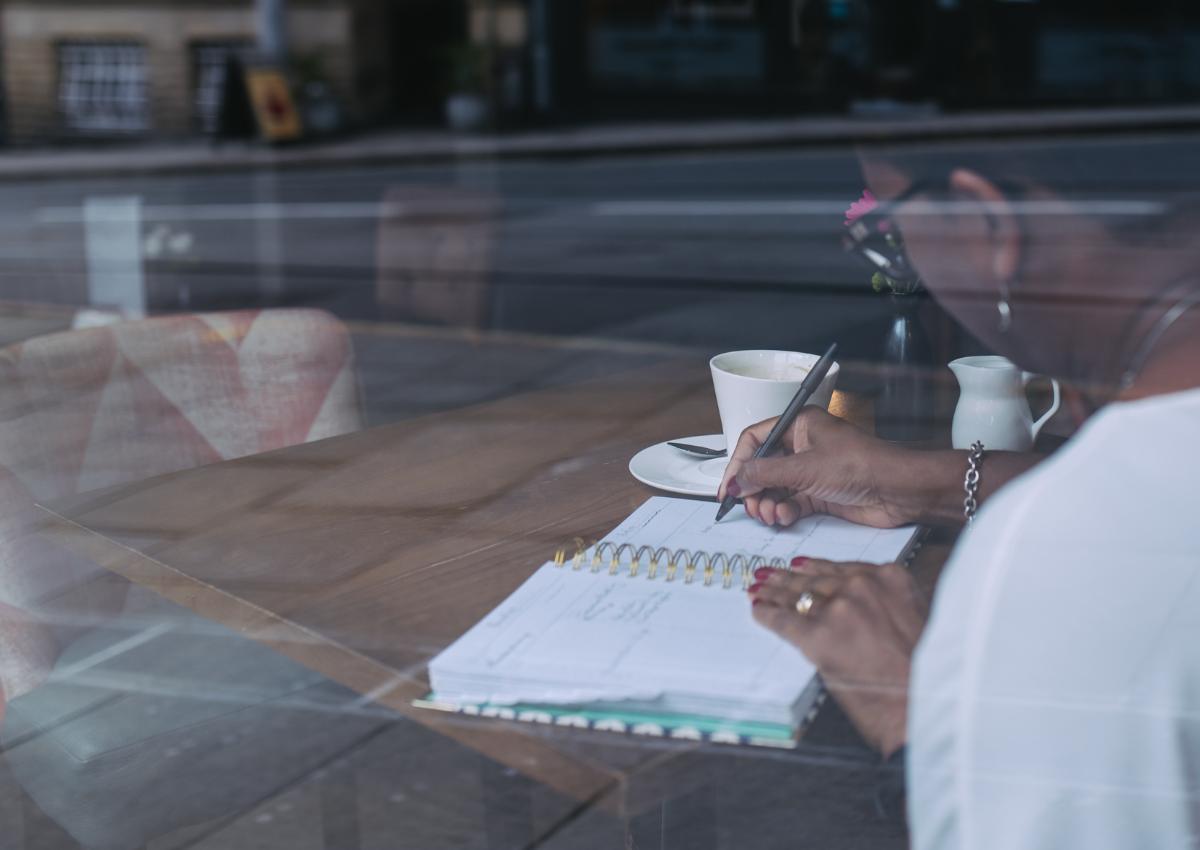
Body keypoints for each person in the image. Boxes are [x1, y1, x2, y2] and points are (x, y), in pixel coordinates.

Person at [720, 139, 1200, 848]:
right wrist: (916, 479)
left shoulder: (1068, 555)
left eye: (893, 225)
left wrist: (924, 720)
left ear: (986, 225)